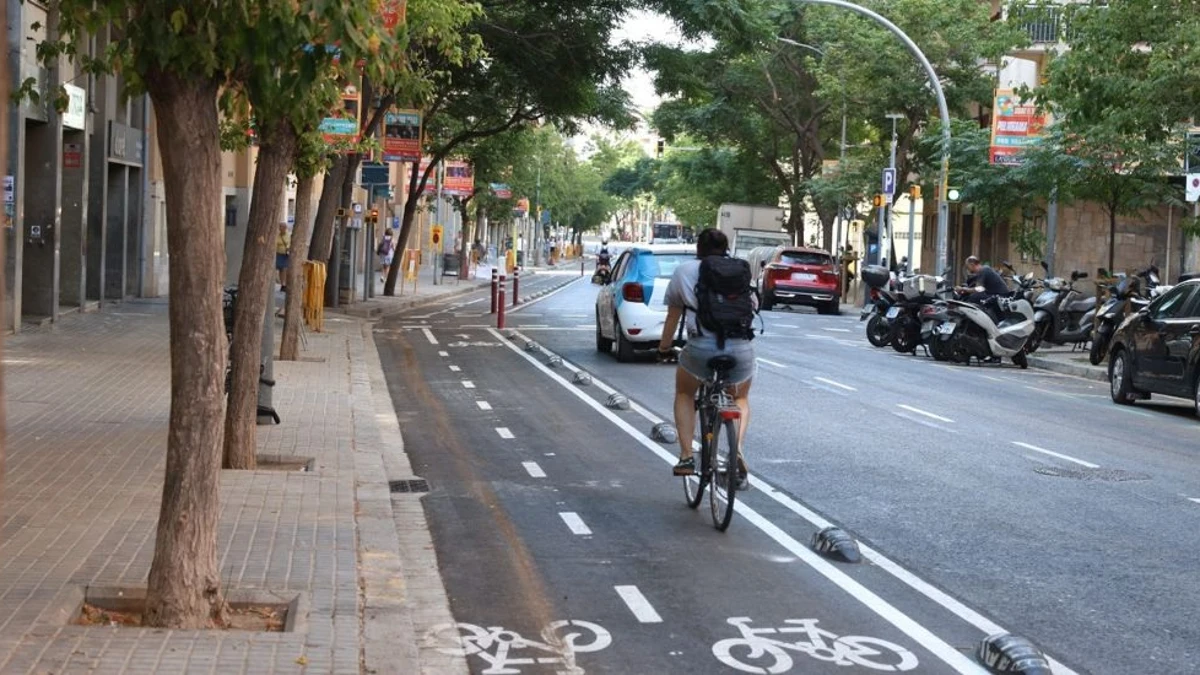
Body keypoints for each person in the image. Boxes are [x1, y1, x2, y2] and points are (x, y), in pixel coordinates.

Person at [657, 228, 755, 489]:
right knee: (741, 397)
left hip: (701, 347)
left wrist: (664, 347)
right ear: (726, 249)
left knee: (685, 393)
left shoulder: (685, 271)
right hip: (740, 347)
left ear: (698, 248)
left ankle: (687, 456)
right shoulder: (741, 271)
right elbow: (751, 307)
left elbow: (673, 316)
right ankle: (737, 451)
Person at [275, 222, 291, 289]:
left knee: (284, 269)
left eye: (281, 227)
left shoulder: (288, 235)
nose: (280, 228)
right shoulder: (278, 235)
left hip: (285, 254)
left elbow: (290, 243)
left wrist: (288, 247)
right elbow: (275, 243)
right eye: (279, 227)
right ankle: (282, 283)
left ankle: (283, 284)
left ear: (285, 228)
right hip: (278, 254)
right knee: (279, 269)